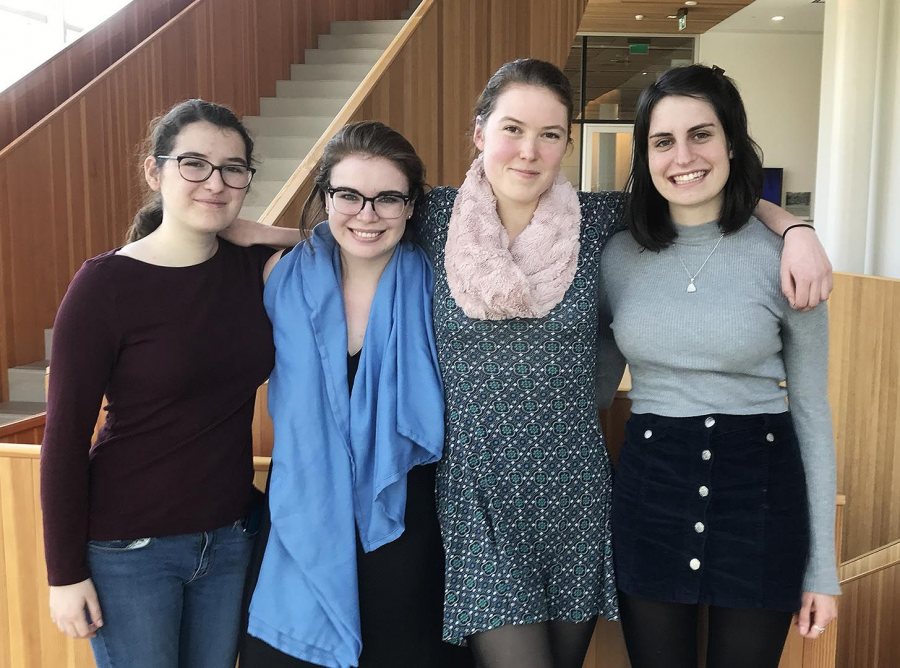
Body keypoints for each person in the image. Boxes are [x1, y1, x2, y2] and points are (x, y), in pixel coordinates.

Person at [409, 58, 834, 668]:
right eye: (512, 129)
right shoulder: (445, 219)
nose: (530, 151)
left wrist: (795, 226)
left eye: (551, 134)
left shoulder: (601, 227)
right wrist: (243, 235)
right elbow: (357, 219)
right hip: (507, 493)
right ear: (480, 133)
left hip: (615, 490)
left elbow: (692, 196)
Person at [597, 64, 839, 668]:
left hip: (760, 494)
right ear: (646, 155)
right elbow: (591, 394)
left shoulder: (785, 259)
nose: (683, 156)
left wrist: (823, 569)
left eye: (700, 134)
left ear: (730, 141)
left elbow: (811, 413)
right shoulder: (615, 255)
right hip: (649, 494)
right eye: (662, 141)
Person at [41, 99, 279, 668]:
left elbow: (351, 236)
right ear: (155, 171)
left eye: (233, 169)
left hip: (228, 539)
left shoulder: (251, 269)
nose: (215, 183)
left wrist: (261, 231)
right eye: (194, 163)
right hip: (131, 547)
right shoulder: (106, 284)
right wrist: (64, 573)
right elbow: (65, 439)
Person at [240, 121, 471, 668]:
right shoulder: (279, 276)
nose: (367, 214)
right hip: (303, 507)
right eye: (348, 195)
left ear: (414, 206)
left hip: (409, 515)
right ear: (325, 198)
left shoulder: (444, 282)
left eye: (388, 198)